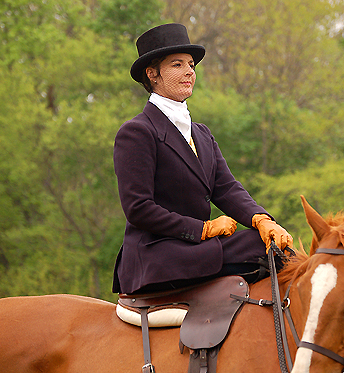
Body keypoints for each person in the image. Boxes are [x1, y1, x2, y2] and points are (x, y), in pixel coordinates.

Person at [112, 23, 293, 295]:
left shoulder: (202, 134)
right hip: (157, 255)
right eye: (177, 65)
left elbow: (226, 188)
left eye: (191, 65)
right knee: (258, 249)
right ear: (152, 74)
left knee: (275, 246)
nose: (189, 72)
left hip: (198, 249)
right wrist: (203, 229)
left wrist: (261, 219)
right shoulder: (137, 132)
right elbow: (138, 208)